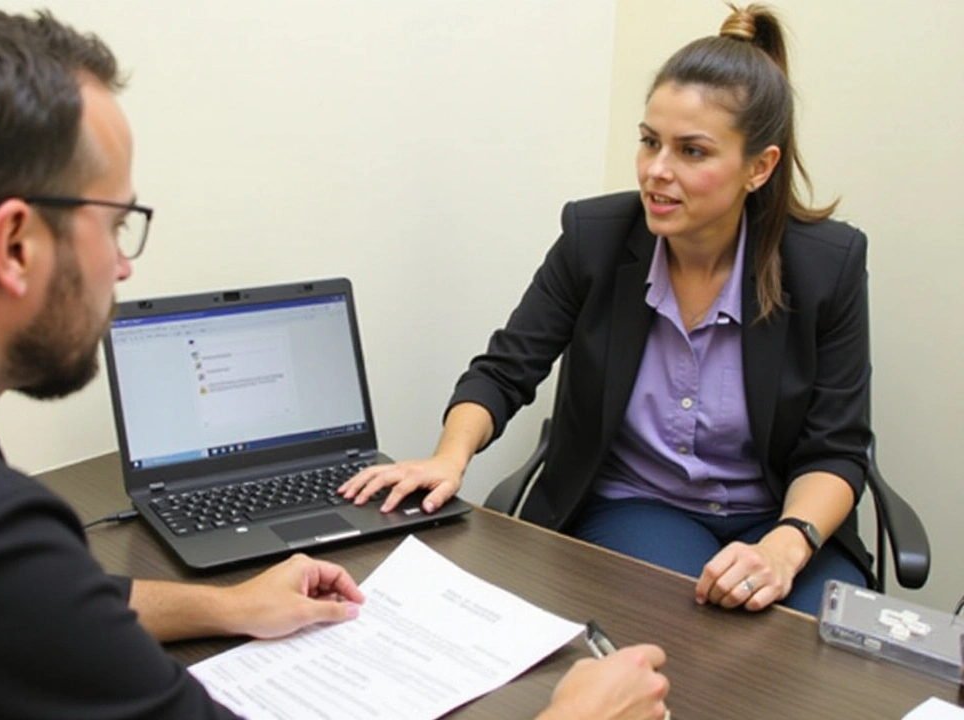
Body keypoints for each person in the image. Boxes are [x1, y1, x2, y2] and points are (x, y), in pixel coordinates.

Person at [0, 4, 667, 718]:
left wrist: (223, 603)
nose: (120, 261)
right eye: (114, 221)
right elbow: (2, 589)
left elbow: (30, 608)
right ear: (15, 243)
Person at [341, 3, 872, 616]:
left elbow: (836, 448)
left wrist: (787, 544)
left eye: (692, 152)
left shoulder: (826, 265)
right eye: (650, 142)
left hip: (781, 513)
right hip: (640, 506)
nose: (657, 171)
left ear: (760, 166)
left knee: (830, 658)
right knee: (687, 627)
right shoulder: (593, 237)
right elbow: (504, 371)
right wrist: (449, 455)